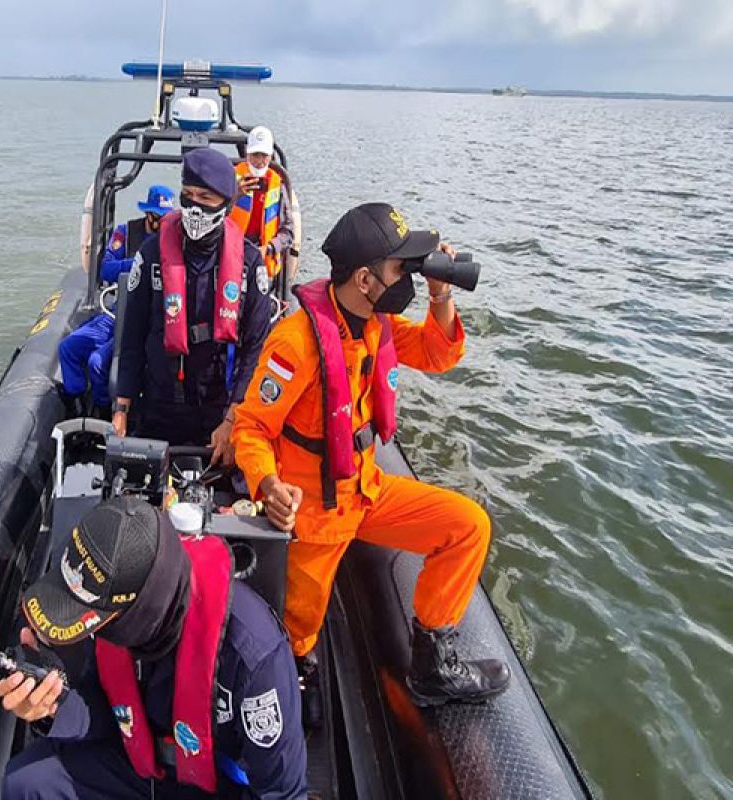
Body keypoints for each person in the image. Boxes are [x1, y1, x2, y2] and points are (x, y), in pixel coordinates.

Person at [231, 203, 511, 709]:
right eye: (400, 268)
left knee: (467, 526)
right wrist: (268, 485)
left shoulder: (377, 324)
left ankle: (433, 665)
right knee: (297, 632)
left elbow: (438, 353)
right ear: (364, 278)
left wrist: (440, 291)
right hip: (314, 512)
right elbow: (251, 427)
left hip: (366, 490)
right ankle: (292, 680)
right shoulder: (296, 343)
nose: (408, 275)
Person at [0, 497, 307, 799]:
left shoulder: (255, 656)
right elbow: (103, 711)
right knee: (27, 783)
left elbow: (281, 792)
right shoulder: (110, 608)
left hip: (215, 783)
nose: (88, 628)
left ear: (138, 615)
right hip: (137, 764)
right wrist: (52, 709)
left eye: (90, 618)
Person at [113, 148, 272, 465]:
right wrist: (121, 409)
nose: (194, 207)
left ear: (226, 203)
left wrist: (232, 420)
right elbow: (130, 336)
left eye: (205, 197)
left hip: (218, 408)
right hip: (158, 401)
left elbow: (255, 349)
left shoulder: (250, 264)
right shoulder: (153, 253)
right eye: (187, 195)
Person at [59, 185, 176, 415]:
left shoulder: (173, 243)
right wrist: (135, 264)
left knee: (98, 362)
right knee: (68, 348)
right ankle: (78, 407)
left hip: (145, 318)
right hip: (116, 310)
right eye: (159, 217)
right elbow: (104, 269)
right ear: (149, 214)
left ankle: (105, 412)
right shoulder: (126, 233)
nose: (163, 224)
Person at [230, 127, 294, 282]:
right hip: (232, 253)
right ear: (247, 154)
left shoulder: (278, 185)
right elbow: (215, 215)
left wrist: (270, 248)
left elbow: (288, 231)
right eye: (255, 155)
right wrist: (235, 194)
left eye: (264, 156)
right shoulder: (231, 178)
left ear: (270, 156)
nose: (259, 161)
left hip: (262, 257)